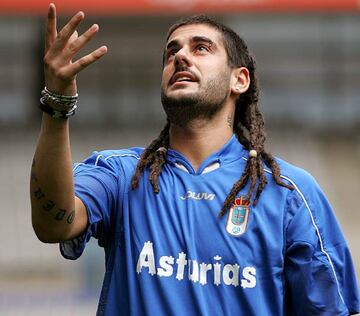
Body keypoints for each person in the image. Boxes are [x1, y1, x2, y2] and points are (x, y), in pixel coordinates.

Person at [30, 3, 359, 315]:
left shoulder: (289, 191)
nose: (180, 57)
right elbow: (53, 225)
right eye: (172, 52)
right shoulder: (120, 174)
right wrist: (57, 106)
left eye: (201, 48)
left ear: (239, 79)